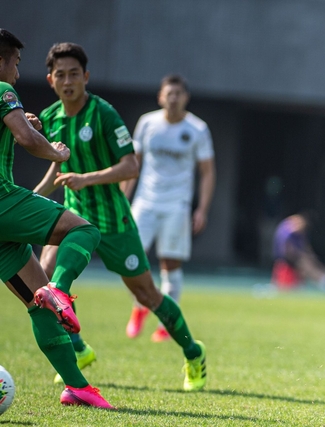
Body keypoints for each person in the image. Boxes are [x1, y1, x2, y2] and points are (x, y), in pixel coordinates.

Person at [34, 42, 206, 392]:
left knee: (148, 295)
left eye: (74, 74)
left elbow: (131, 166)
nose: (67, 81)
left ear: (86, 77)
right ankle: (78, 350)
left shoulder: (104, 114)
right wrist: (30, 199)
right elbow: (57, 171)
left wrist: (87, 179)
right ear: (50, 80)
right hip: (73, 216)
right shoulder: (50, 118)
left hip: (114, 222)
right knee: (45, 279)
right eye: (60, 75)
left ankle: (193, 352)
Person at [0, 29, 112, 408]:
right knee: (85, 231)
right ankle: (60, 289)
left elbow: (16, 132)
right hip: (2, 200)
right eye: (16, 63)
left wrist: (22, 124)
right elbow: (28, 140)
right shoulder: (3, 90)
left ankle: (77, 387)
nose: (17, 72)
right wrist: (56, 153)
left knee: (37, 305)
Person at [120, 74, 216, 342]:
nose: (173, 98)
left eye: (178, 94)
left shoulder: (197, 129)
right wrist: (122, 199)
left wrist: (202, 209)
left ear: (186, 98)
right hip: (145, 202)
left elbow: (207, 171)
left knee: (170, 263)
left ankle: (167, 320)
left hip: (177, 205)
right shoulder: (147, 123)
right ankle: (140, 306)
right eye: (169, 93)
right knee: (130, 258)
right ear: (160, 97)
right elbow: (133, 164)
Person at [271, 212, 325, 291]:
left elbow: (306, 247)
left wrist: (311, 256)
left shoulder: (296, 231)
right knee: (306, 263)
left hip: (295, 258)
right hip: (286, 260)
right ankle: (324, 280)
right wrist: (304, 256)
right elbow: (287, 252)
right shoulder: (289, 231)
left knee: (311, 260)